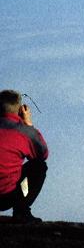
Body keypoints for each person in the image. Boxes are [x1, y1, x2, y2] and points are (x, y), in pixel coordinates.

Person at [0, 90, 49, 224]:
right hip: (7, 195)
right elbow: (43, 154)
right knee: (39, 166)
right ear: (20, 109)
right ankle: (22, 211)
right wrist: (28, 124)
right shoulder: (23, 131)